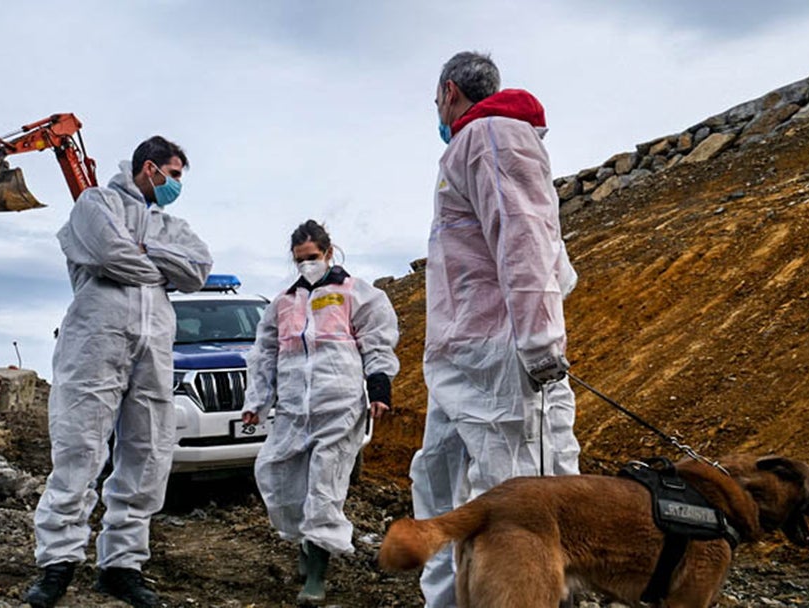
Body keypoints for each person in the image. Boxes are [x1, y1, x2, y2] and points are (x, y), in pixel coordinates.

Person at [409, 51, 581, 608]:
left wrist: (539, 342)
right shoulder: (470, 147)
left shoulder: (492, 136)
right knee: (439, 484)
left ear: (449, 91)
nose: (436, 110)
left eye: (436, 99)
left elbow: (524, 239)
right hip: (463, 359)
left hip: (500, 358)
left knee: (515, 500)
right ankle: (449, 600)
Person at [24, 136, 213, 608]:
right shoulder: (96, 203)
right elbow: (109, 254)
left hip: (154, 349)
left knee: (147, 453)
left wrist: (147, 250)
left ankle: (122, 566)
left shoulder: (171, 224)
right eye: (173, 175)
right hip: (96, 341)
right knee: (79, 448)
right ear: (150, 168)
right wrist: (160, 268)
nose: (176, 185)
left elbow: (199, 270)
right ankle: (57, 564)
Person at [241, 220, 400, 604]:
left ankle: (316, 574)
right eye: (300, 260)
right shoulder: (283, 303)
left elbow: (377, 341)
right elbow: (264, 355)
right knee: (279, 478)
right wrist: (256, 402)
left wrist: (379, 387)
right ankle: (306, 542)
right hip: (294, 409)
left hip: (339, 406)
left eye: (312, 257)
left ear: (329, 252)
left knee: (324, 489)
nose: (307, 265)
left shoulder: (355, 293)